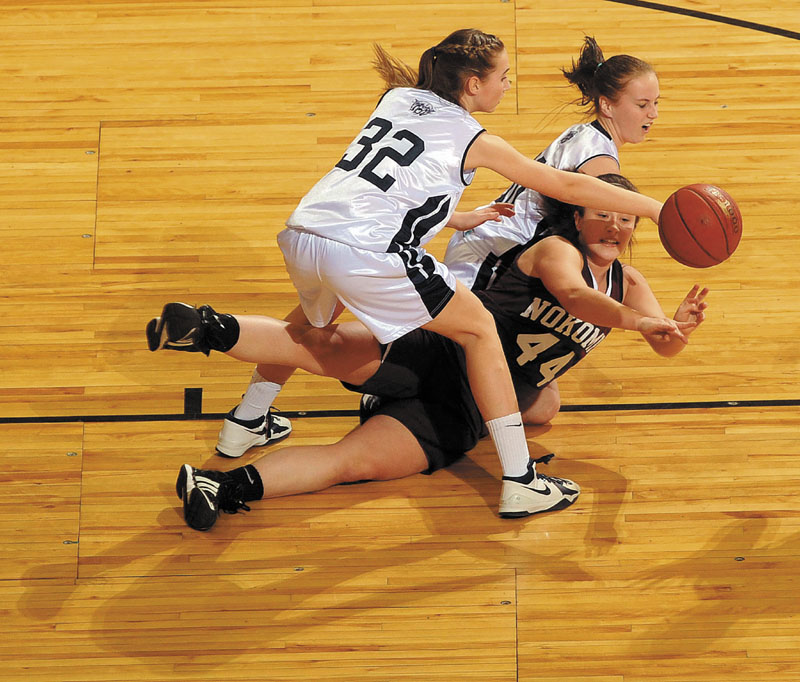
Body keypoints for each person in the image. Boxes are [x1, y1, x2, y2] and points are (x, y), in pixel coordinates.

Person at [148, 29, 667, 517]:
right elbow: (569, 192)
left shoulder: (397, 99)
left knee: (317, 334)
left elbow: (400, 178)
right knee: (480, 331)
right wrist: (657, 210)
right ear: (472, 84)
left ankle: (226, 373)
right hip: (421, 260)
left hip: (308, 229)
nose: (509, 84)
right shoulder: (489, 140)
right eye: (502, 76)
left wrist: (455, 215)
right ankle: (520, 479)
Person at [148, 173, 707, 531]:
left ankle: (219, 487)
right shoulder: (556, 251)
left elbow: (662, 346)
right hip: (444, 349)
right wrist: (641, 323)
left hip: (469, 411)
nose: (615, 224)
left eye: (625, 218)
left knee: (352, 464)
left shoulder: (630, 284)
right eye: (603, 212)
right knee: (323, 345)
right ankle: (209, 328)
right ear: (576, 216)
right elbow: (575, 298)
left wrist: (673, 332)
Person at [445, 35, 660, 292]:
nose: (653, 113)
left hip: (484, 242)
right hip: (493, 257)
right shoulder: (599, 161)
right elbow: (602, 241)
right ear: (607, 106)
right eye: (642, 105)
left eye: (656, 103)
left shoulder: (583, 133)